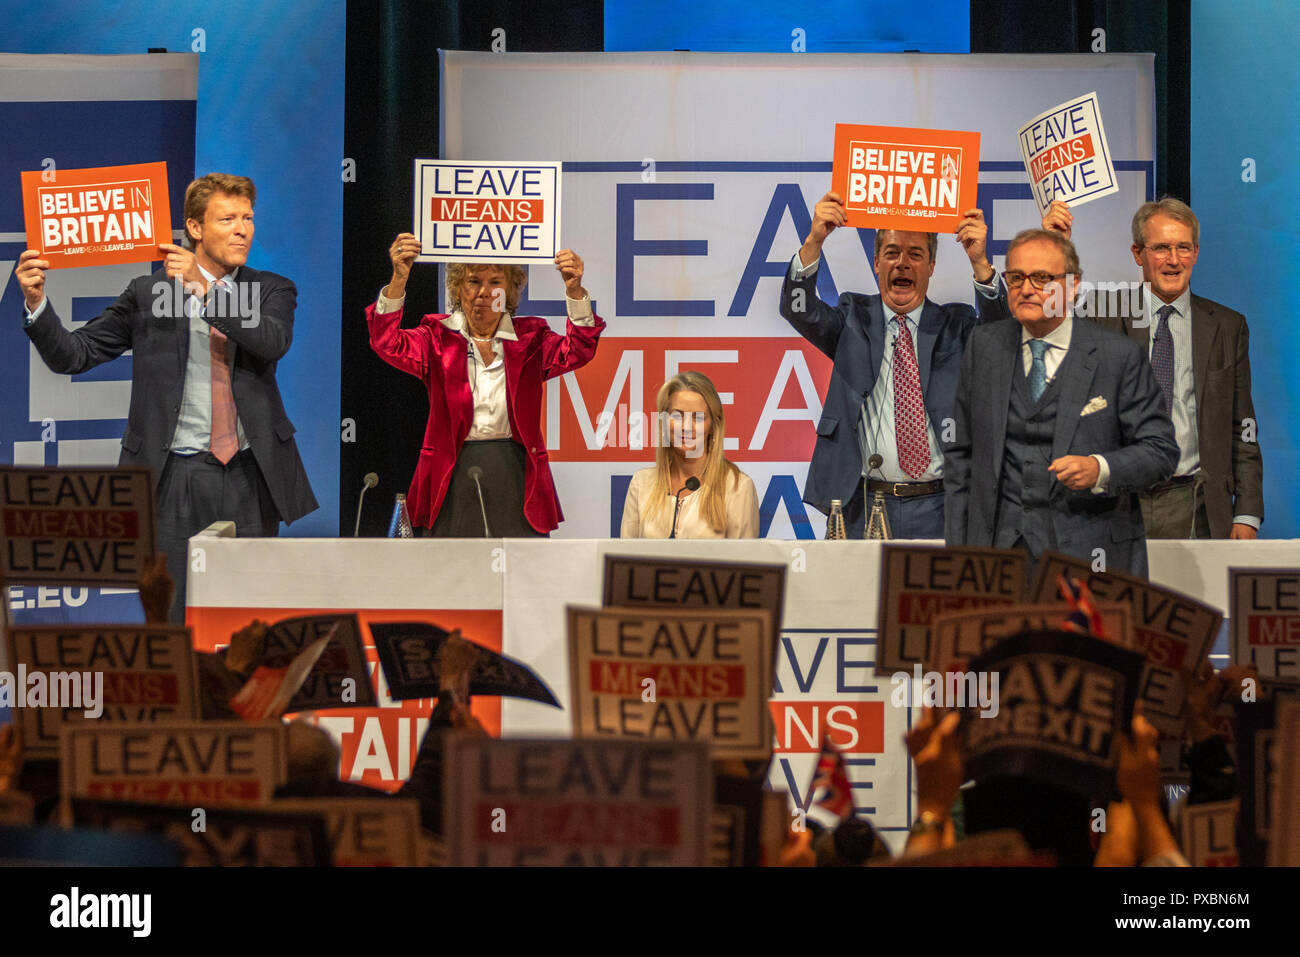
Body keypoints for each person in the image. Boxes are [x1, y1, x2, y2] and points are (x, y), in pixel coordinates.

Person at [15, 173, 318, 622]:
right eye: (228, 218)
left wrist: (205, 288)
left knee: (249, 620)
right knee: (172, 617)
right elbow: (74, 356)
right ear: (195, 228)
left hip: (250, 477)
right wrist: (37, 303)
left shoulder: (271, 288)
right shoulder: (149, 292)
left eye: (248, 218)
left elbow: (271, 341)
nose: (243, 229)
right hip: (173, 476)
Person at [943, 229, 1178, 578]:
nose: (1026, 289)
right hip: (996, 560)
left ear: (1072, 285)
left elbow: (1161, 451)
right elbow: (960, 456)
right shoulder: (984, 345)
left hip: (1088, 557)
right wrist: (959, 553)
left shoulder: (1118, 356)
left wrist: (1101, 469)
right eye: (1016, 277)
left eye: (1042, 278)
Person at [779, 194, 1005, 538]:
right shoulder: (851, 320)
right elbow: (799, 309)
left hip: (940, 506)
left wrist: (981, 264)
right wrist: (814, 241)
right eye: (892, 253)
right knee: (853, 594)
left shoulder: (956, 326)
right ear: (876, 262)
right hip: (862, 504)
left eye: (916, 255)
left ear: (930, 267)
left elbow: (1002, 337)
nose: (902, 263)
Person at [1042, 198, 1263, 539]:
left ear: (1196, 252)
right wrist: (1056, 248)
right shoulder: (1103, 311)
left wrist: (1247, 513)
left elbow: (1242, 426)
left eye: (1183, 248)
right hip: (1117, 503)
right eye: (1161, 248)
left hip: (1197, 505)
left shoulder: (1227, 326)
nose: (1173, 260)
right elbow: (1048, 318)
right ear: (1137, 254)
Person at [367, 235, 604, 535]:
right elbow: (386, 343)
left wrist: (574, 290)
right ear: (457, 287)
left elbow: (579, 350)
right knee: (452, 571)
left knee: (519, 571)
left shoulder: (532, 337)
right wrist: (399, 279)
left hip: (515, 472)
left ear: (509, 290)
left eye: (495, 282)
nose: (484, 292)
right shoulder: (435, 336)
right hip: (449, 472)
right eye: (473, 281)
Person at [620, 371, 759, 539]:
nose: (686, 427)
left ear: (713, 426)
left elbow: (744, 563)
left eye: (697, 418)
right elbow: (624, 561)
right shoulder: (641, 484)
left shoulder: (737, 487)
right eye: (677, 416)